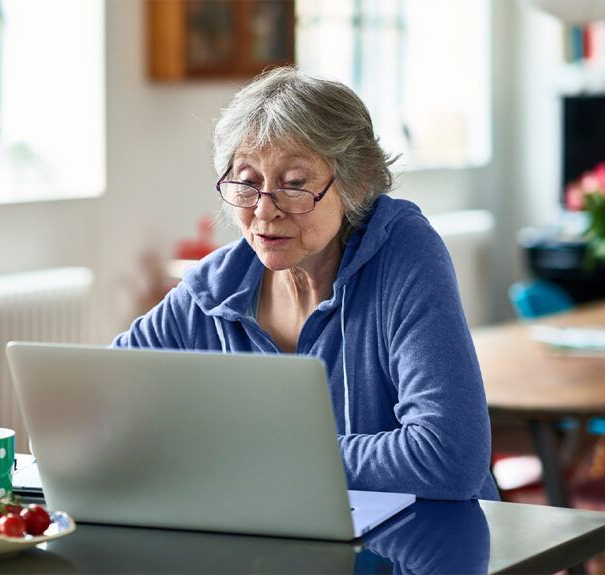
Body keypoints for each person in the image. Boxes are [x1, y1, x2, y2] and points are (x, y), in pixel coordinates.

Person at [113, 67, 498, 501]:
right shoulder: (215, 287)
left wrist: (255, 457)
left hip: (423, 546)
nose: (265, 211)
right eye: (247, 182)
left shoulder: (404, 256)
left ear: (358, 183)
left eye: (295, 185)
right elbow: (104, 400)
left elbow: (448, 457)